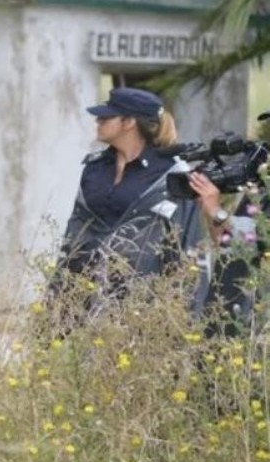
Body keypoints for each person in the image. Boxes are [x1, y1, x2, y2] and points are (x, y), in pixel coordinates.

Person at [50, 87, 208, 323]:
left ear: (129, 123)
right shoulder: (94, 168)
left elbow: (188, 246)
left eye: (106, 117)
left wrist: (185, 315)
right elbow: (75, 234)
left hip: (142, 308)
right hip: (83, 302)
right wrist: (55, 297)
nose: (98, 121)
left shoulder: (172, 174)